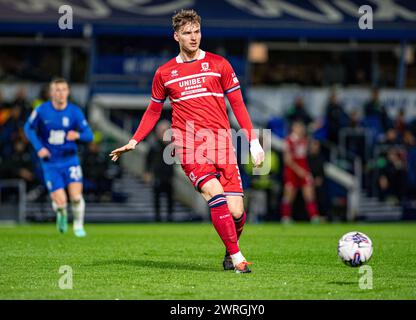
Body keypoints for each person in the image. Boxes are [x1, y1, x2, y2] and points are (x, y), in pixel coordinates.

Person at [110, 9, 264, 273]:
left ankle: (229, 252)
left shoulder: (219, 65)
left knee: (237, 211)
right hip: (190, 145)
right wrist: (135, 140)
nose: (193, 38)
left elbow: (237, 104)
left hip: (222, 144)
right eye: (187, 33)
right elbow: (154, 110)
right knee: (214, 194)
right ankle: (239, 259)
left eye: (197, 32)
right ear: (176, 36)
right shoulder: (165, 73)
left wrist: (253, 141)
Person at [24, 78, 94, 237]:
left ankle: (78, 225)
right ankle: (61, 213)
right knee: (60, 202)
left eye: (63, 90)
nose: (60, 93)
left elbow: (89, 135)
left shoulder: (75, 112)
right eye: (57, 90)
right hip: (50, 162)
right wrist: (39, 147)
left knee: (76, 197)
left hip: (70, 160)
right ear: (51, 93)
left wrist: (78, 135)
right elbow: (28, 128)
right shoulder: (42, 110)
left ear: (68, 92)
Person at [281, 121, 320, 224]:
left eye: (301, 127)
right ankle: (285, 217)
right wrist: (299, 171)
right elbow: (287, 160)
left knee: (309, 193)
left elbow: (312, 151)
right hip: (292, 171)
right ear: (293, 128)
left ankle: (314, 216)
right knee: (289, 193)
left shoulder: (304, 140)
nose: (300, 129)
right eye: (298, 127)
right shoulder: (288, 141)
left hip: (303, 170)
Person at [144, 120, 175, 222]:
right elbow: (148, 160)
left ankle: (170, 217)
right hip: (157, 175)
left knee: (170, 197)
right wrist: (147, 172)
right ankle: (157, 217)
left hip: (169, 175)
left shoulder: (171, 146)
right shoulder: (154, 145)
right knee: (157, 197)